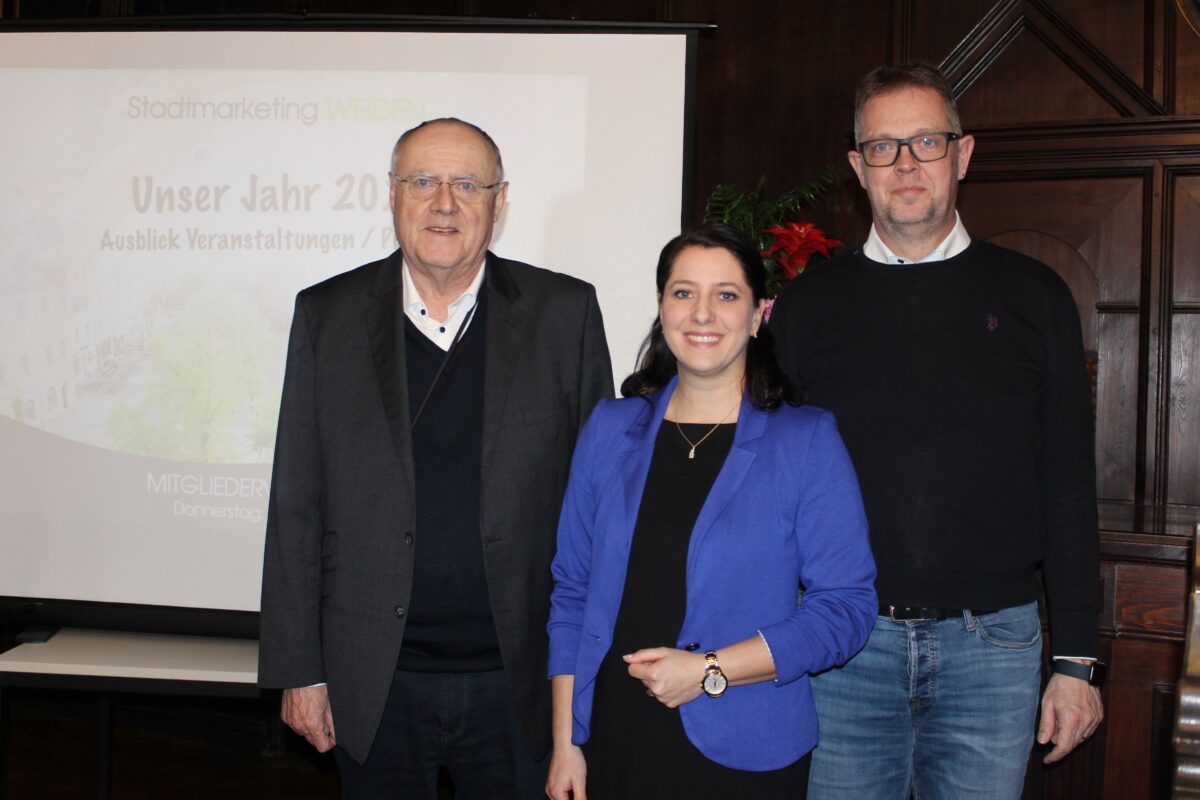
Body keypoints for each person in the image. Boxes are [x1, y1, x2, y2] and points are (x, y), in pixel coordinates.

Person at [769, 63, 1105, 799]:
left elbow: (1069, 484)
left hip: (995, 650)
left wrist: (1077, 661)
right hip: (843, 648)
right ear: (858, 166)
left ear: (963, 154)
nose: (906, 164)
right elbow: (768, 488)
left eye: (926, 142)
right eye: (883, 147)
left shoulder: (1035, 297)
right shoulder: (807, 306)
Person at [258, 117, 613, 799]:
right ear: (392, 195)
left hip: (521, 681)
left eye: (467, 185)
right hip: (374, 682)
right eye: (423, 181)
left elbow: (600, 507)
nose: (444, 203)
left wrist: (588, 675)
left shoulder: (563, 314)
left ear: (499, 202)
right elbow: (296, 502)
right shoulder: (327, 315)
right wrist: (299, 670)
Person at [545, 223, 877, 800]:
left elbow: (845, 610)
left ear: (758, 315)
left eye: (726, 295)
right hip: (616, 738)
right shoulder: (609, 429)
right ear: (661, 307)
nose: (702, 313)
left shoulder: (806, 440)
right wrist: (565, 743)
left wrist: (708, 671)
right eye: (684, 293)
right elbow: (572, 591)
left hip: (747, 746)